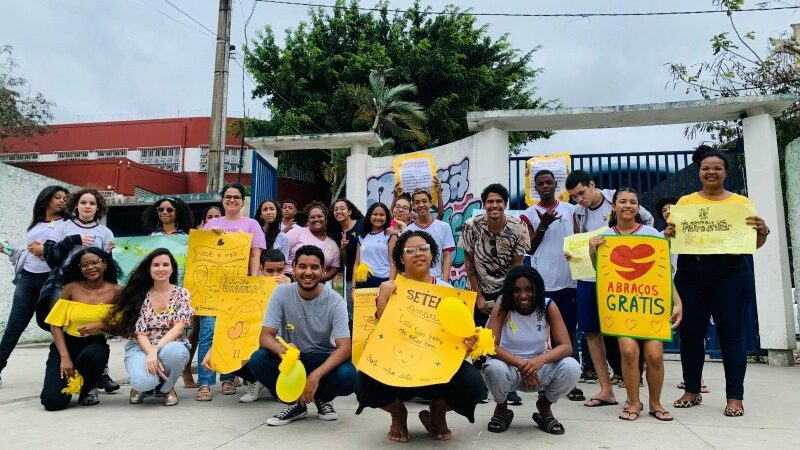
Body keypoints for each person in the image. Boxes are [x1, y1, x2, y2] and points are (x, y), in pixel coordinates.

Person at [665, 145, 769, 417]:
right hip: (691, 275)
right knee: (690, 335)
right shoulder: (685, 203)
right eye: (706, 168)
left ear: (725, 172)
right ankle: (691, 390)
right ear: (699, 172)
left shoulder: (741, 204)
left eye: (717, 168)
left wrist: (763, 231)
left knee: (732, 336)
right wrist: (669, 233)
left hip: (730, 275)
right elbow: (673, 241)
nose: (711, 172)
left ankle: (735, 397)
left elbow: (753, 245)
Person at [355, 231, 484, 442]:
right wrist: (382, 300)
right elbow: (377, 339)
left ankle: (438, 411)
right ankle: (398, 413)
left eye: (424, 249)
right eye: (410, 250)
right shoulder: (388, 289)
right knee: (364, 382)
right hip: (395, 366)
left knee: (473, 385)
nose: (418, 254)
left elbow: (458, 343)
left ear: (432, 254)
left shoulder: (448, 291)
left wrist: (468, 344)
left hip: (437, 369)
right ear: (401, 258)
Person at [588, 188, 684, 421]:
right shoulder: (604, 237)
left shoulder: (652, 234)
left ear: (638, 207)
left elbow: (663, 274)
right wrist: (591, 250)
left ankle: (655, 403)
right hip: (623, 307)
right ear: (614, 206)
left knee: (655, 356)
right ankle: (633, 402)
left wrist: (677, 302)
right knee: (629, 352)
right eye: (622, 201)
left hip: (651, 306)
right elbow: (602, 272)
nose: (628, 205)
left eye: (633, 202)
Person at [565, 170, 654, 408]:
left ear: (592, 184)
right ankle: (606, 389)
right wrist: (574, 253)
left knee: (624, 330)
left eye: (582, 193)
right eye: (574, 196)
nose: (579, 199)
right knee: (591, 332)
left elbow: (648, 223)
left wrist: (628, 246)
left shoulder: (618, 199)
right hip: (589, 276)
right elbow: (580, 239)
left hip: (620, 277)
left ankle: (633, 383)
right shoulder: (577, 211)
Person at [245, 245, 355, 426]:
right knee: (258, 359)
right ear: (294, 268)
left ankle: (322, 398)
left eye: (314, 267)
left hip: (322, 358)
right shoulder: (281, 293)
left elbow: (345, 347)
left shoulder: (335, 301)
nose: (308, 272)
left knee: (349, 376)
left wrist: (316, 375)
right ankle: (295, 404)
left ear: (323, 270)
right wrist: (282, 349)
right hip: (292, 359)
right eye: (302, 266)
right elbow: (265, 337)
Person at [482, 265, 581, 434]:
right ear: (509, 291)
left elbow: (566, 347)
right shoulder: (503, 304)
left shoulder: (548, 305)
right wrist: (523, 365)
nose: (523, 295)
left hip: (539, 369)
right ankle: (501, 406)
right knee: (493, 369)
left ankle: (544, 405)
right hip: (509, 367)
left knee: (572, 367)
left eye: (529, 289)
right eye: (517, 290)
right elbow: (490, 346)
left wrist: (538, 361)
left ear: (537, 289)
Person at [40, 187, 120, 394]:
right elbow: (50, 255)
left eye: (92, 203)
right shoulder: (62, 226)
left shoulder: (105, 232)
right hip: (66, 284)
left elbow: (107, 263)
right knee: (62, 326)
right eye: (83, 202)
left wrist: (110, 252)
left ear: (98, 207)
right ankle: (64, 362)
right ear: (76, 205)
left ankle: (101, 374)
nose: (87, 206)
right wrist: (72, 240)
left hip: (95, 286)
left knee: (98, 329)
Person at [460, 184, 530, 404]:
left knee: (506, 340)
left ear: (505, 204)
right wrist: (478, 295)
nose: (494, 205)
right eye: (490, 201)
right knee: (479, 339)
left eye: (499, 201)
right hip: (479, 289)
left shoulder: (518, 228)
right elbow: (469, 264)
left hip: (506, 290)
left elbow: (517, 267)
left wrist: (505, 299)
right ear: (484, 204)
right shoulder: (471, 226)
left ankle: (508, 386)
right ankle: (481, 386)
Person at [197, 183, 266, 400]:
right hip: (211, 288)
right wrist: (212, 236)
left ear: (243, 201)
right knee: (208, 332)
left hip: (238, 288)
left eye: (237, 197)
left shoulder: (251, 224)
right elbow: (201, 251)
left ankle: (228, 377)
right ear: (222, 200)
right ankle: (205, 382)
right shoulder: (212, 224)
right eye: (228, 196)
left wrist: (252, 282)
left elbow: (255, 254)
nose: (232, 200)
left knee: (230, 332)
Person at [520, 170, 583, 401]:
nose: (545, 186)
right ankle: (538, 377)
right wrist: (543, 225)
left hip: (568, 282)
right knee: (539, 334)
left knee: (568, 332)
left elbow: (578, 239)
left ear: (556, 185)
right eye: (541, 183)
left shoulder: (571, 210)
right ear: (535, 187)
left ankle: (570, 381)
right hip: (542, 283)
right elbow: (529, 248)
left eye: (549, 182)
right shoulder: (529, 214)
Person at [0, 186, 69, 387]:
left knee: (55, 324)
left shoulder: (67, 224)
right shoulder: (36, 224)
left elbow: (68, 250)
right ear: (46, 200)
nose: (62, 201)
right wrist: (7, 250)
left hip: (52, 279)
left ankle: (84, 368)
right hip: (28, 277)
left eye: (65, 198)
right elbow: (28, 253)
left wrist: (45, 250)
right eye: (57, 197)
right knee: (15, 324)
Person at [109, 249, 193, 406]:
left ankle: (167, 388)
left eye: (165, 265)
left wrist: (156, 349)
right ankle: (142, 387)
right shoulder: (139, 294)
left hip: (170, 344)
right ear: (149, 269)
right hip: (141, 346)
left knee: (177, 352)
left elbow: (178, 328)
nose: (161, 269)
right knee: (143, 382)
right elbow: (139, 332)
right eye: (156, 265)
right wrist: (150, 352)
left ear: (172, 269)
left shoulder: (182, 293)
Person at [40, 248, 121, 410]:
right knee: (52, 402)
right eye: (84, 265)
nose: (90, 267)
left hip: (95, 344)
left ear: (104, 264)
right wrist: (64, 357)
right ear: (80, 268)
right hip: (66, 345)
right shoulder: (71, 288)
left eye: (94, 262)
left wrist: (101, 325)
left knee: (93, 355)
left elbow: (123, 329)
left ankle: (89, 385)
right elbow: (55, 324)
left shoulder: (117, 291)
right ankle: (71, 383)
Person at [236, 249, 291, 403]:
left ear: (285, 268)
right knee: (227, 354)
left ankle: (275, 386)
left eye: (279, 270)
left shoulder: (293, 288)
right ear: (261, 269)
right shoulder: (252, 288)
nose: (275, 275)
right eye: (270, 271)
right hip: (255, 339)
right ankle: (255, 380)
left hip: (284, 342)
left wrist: (290, 289)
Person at [404, 189, 455, 281]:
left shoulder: (444, 227)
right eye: (417, 202)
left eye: (424, 201)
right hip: (415, 281)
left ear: (430, 203)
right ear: (413, 206)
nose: (421, 205)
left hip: (437, 279)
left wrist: (445, 282)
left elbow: (447, 256)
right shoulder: (407, 231)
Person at [285, 202, 340, 282]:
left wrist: (319, 279)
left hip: (317, 283)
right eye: (312, 217)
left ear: (326, 219)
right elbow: (280, 252)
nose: (316, 219)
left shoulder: (332, 244)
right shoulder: (297, 232)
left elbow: (334, 268)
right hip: (289, 279)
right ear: (308, 220)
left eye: (320, 216)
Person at [329, 199, 364, 312]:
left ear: (349, 212)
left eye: (342, 208)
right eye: (335, 209)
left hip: (370, 274)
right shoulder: (336, 234)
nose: (338, 211)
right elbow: (345, 262)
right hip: (351, 277)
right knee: (353, 312)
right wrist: (342, 248)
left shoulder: (362, 224)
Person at [353, 202, 397, 290]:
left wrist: (390, 283)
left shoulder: (390, 236)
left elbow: (394, 263)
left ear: (386, 218)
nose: (378, 217)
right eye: (375, 214)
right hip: (363, 281)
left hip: (383, 281)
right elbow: (357, 263)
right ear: (369, 216)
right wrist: (353, 287)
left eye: (382, 215)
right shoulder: (362, 237)